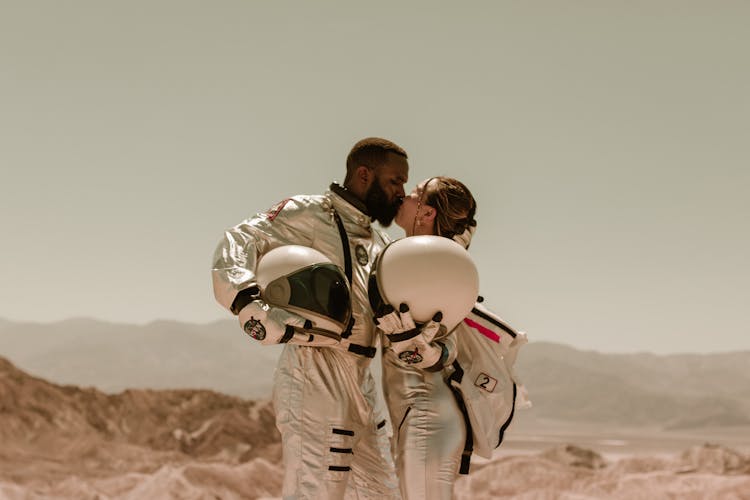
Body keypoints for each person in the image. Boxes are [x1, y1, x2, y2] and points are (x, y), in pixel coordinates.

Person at [211, 137, 408, 499]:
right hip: (315, 372)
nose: (401, 191)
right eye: (395, 181)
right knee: (314, 492)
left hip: (363, 382)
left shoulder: (378, 243)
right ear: (364, 175)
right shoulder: (308, 213)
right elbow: (240, 240)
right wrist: (246, 301)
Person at [376, 176, 477, 500]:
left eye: (414, 195)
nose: (403, 198)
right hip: (415, 416)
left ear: (427, 213)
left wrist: (429, 353)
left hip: (426, 418)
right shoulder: (410, 263)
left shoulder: (441, 270)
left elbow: (450, 344)